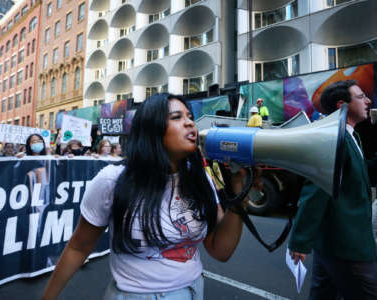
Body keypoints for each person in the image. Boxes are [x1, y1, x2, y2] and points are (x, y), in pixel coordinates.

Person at [42, 93, 249, 300]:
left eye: (190, 117)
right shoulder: (111, 181)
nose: (189, 124)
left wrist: (241, 191)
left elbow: (221, 250)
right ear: (152, 130)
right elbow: (79, 247)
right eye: (177, 117)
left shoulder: (200, 178)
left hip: (194, 291)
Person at [288, 80, 377, 300]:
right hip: (348, 245)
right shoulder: (334, 140)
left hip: (333, 243)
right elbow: (317, 189)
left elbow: (359, 175)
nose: (368, 101)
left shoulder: (352, 136)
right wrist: (300, 240)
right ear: (341, 106)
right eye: (361, 96)